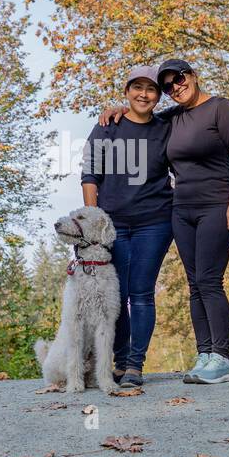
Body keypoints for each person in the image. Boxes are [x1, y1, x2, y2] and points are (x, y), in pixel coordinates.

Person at [100, 58, 229, 384]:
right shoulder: (173, 118)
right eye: (167, 86)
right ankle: (205, 354)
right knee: (195, 284)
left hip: (217, 205)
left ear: (193, 75)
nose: (175, 87)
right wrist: (116, 108)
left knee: (210, 281)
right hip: (181, 210)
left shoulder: (221, 109)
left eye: (179, 79)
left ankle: (222, 358)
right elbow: (142, 113)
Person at [81, 65, 174, 388]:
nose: (144, 94)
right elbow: (90, 175)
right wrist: (93, 223)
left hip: (156, 222)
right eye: (137, 88)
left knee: (142, 293)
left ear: (158, 96)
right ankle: (119, 361)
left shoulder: (167, 127)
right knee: (114, 295)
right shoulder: (108, 127)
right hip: (112, 227)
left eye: (151, 89)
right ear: (127, 92)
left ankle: (135, 365)